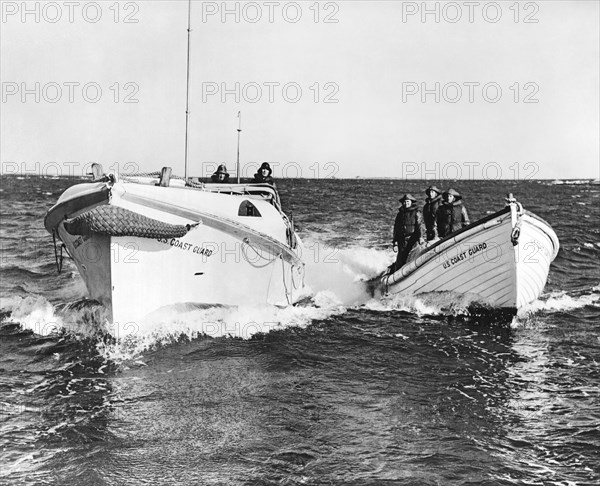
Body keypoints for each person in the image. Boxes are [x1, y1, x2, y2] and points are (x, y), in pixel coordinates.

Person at [392, 194, 426, 271]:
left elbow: (420, 226)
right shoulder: (400, 214)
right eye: (405, 202)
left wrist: (420, 237)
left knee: (412, 258)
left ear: (411, 202)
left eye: (408, 201)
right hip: (402, 240)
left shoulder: (416, 213)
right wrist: (395, 242)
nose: (406, 203)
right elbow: (396, 229)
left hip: (412, 239)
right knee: (401, 258)